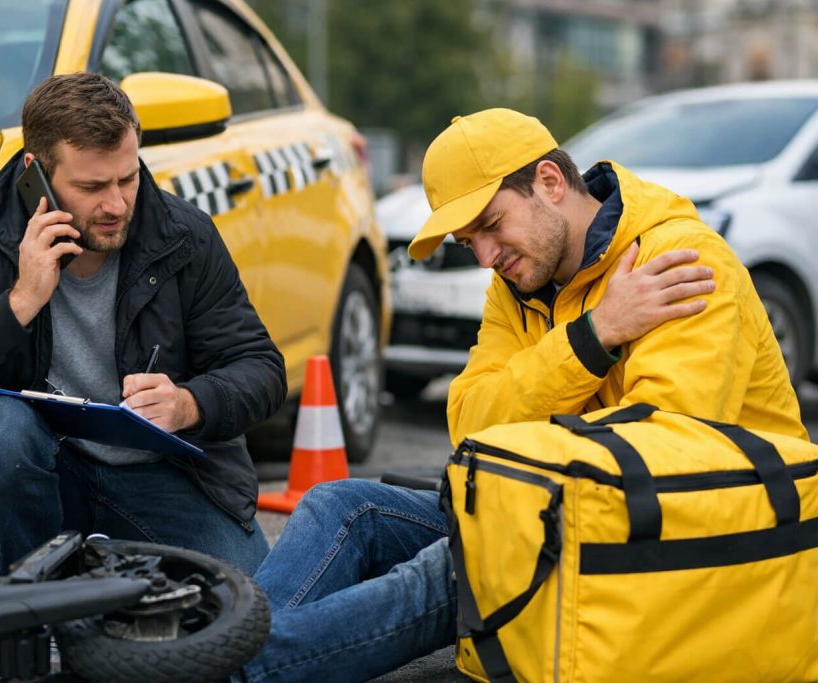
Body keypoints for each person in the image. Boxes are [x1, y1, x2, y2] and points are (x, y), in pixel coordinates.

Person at [234, 108, 807, 682]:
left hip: (707, 542)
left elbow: (664, 460)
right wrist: (593, 338)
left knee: (474, 560)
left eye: (491, 224)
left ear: (551, 183)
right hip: (567, 508)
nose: (485, 256)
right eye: (469, 241)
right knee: (343, 505)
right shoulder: (518, 283)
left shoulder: (679, 262)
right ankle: (226, 643)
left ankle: (223, 665)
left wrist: (546, 390)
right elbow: (471, 424)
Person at [0, 73, 286, 576]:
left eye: (128, 178)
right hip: (42, 474)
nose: (116, 205)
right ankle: (34, 614)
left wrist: (189, 403)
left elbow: (261, 368)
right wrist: (18, 302)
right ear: (36, 173)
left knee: (253, 612)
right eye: (92, 187)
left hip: (165, 476)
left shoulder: (183, 234)